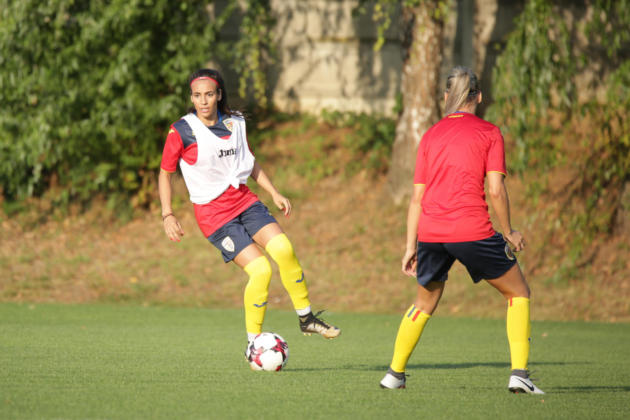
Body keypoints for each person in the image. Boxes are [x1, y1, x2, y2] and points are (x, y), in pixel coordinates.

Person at [379, 66, 544, 394]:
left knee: (423, 303)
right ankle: (519, 374)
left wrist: (410, 246)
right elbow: (495, 189)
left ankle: (394, 374)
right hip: (471, 231)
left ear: (446, 96)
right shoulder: (489, 132)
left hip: (431, 234)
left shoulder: (430, 135)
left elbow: (416, 198)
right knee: (518, 293)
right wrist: (509, 231)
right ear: (479, 97)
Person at [158, 68, 340, 355]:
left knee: (284, 249)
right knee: (261, 270)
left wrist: (274, 192)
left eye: (209, 94)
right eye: (197, 95)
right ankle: (254, 343)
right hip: (214, 216)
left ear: (219, 95)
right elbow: (165, 173)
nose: (203, 101)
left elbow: (250, 161)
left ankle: (307, 319)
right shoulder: (182, 130)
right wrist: (168, 214)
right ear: (191, 98)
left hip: (244, 201)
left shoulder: (235, 123)